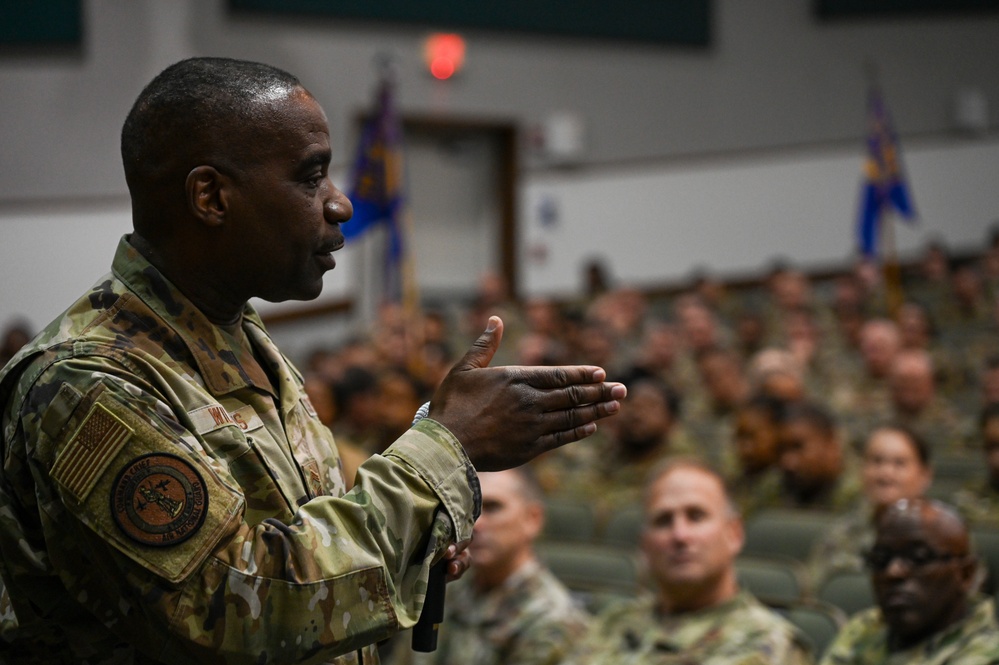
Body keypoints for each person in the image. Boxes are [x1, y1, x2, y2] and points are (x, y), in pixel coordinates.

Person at [0, 57, 626, 665]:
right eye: (310, 177)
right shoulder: (88, 381)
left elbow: (297, 537)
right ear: (211, 197)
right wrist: (443, 448)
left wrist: (411, 537)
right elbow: (236, 610)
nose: (339, 204)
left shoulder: (237, 335)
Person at [567, 459, 813, 665]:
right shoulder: (614, 622)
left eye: (696, 516)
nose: (680, 535)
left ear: (734, 534)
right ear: (645, 545)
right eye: (663, 521)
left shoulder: (768, 641)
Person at [392, 467, 589, 665]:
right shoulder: (445, 591)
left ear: (532, 519)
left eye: (493, 507)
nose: (476, 524)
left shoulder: (554, 620)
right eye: (470, 509)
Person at [820, 498, 999, 664]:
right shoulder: (864, 628)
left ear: (966, 574)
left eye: (918, 558)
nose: (893, 572)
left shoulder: (989, 652)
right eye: (881, 559)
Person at [805, 425, 933, 594]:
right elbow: (813, 593)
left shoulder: (944, 537)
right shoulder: (842, 533)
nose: (885, 473)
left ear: (924, 475)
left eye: (899, 463)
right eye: (876, 461)